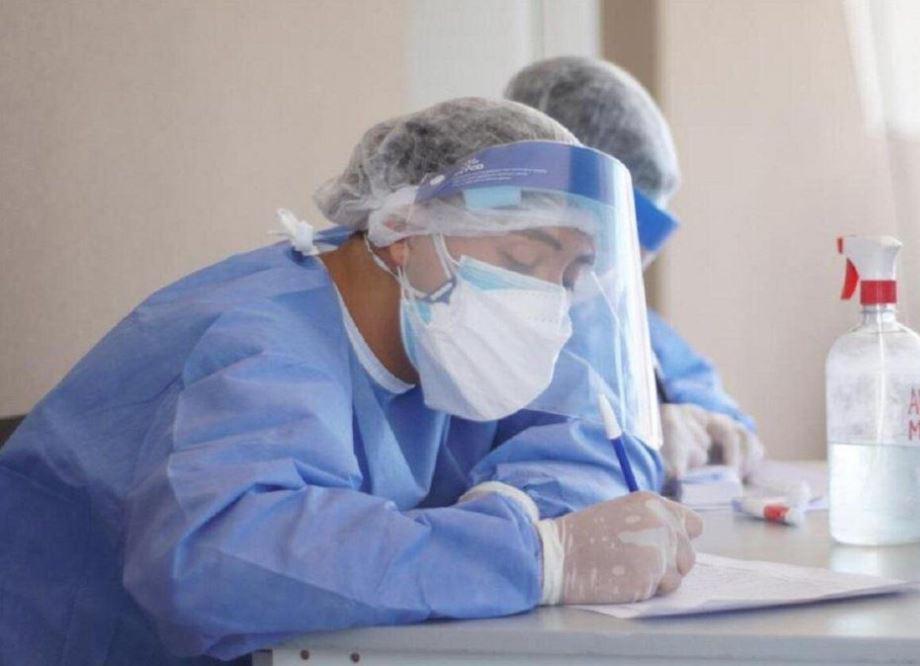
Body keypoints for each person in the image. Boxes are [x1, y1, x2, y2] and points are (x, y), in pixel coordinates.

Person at [0, 97, 702, 666]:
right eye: (522, 258)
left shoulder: (443, 335)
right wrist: (535, 556)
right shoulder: (260, 341)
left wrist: (518, 506)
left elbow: (594, 439)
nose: (546, 302)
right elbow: (219, 562)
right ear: (401, 230)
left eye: (570, 276)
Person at [506, 57, 764, 481]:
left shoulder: (622, 316)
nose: (639, 252)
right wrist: (633, 442)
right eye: (626, 224)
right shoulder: (481, 318)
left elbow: (718, 412)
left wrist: (709, 428)